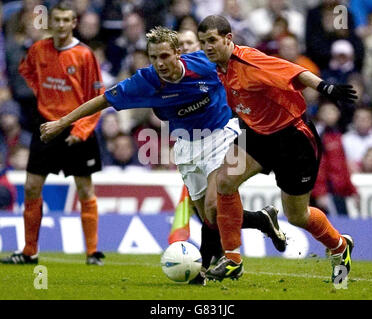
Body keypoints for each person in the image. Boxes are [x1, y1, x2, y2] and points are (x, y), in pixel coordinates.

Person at [39, 26, 287, 285]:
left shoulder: (203, 63)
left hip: (222, 135)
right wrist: (61, 123)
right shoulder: (145, 81)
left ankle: (205, 268)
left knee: (215, 206)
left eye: (165, 56)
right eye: (154, 57)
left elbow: (248, 65)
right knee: (209, 218)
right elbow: (103, 100)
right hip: (186, 146)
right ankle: (260, 219)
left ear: (178, 53)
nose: (160, 63)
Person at [197, 15, 357, 284]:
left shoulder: (249, 60)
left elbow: (291, 70)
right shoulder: (215, 66)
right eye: (203, 42)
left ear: (228, 39)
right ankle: (233, 261)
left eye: (212, 40)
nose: (207, 47)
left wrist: (325, 86)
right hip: (257, 134)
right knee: (224, 182)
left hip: (292, 137)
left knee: (297, 215)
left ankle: (340, 246)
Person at [0, 2, 105, 266]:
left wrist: (81, 130)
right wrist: (46, 99)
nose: (60, 25)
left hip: (75, 127)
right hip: (46, 126)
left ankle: (92, 253)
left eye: (65, 20)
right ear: (51, 23)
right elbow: (27, 74)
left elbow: (96, 98)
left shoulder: (84, 54)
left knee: (84, 188)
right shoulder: (38, 50)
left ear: (73, 23)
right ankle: (29, 251)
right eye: (56, 20)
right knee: (32, 186)